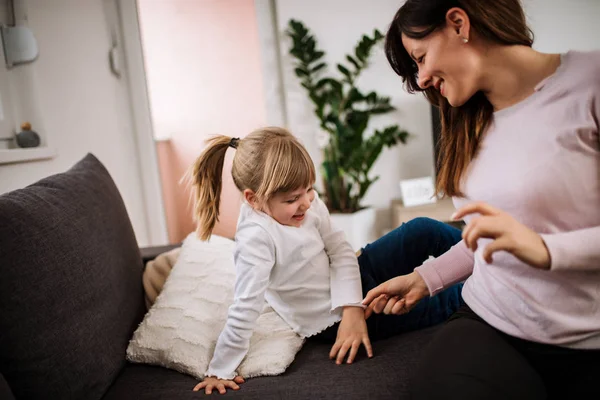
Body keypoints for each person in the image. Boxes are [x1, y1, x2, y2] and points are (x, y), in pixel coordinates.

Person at [362, 0, 600, 398]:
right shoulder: (468, 121)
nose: (421, 79)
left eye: (420, 58)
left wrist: (546, 248)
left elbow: (528, 242)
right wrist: (426, 278)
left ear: (458, 23)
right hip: (491, 321)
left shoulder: (589, 82)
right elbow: (488, 237)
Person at [187, 127, 463, 395]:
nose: (307, 203)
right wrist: (219, 370)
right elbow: (245, 306)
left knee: (422, 229)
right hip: (332, 319)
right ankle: (491, 288)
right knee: (447, 299)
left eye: (309, 189)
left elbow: (340, 251)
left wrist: (352, 303)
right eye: (294, 198)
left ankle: (484, 252)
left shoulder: (305, 202)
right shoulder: (255, 240)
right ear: (254, 199)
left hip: (353, 277)